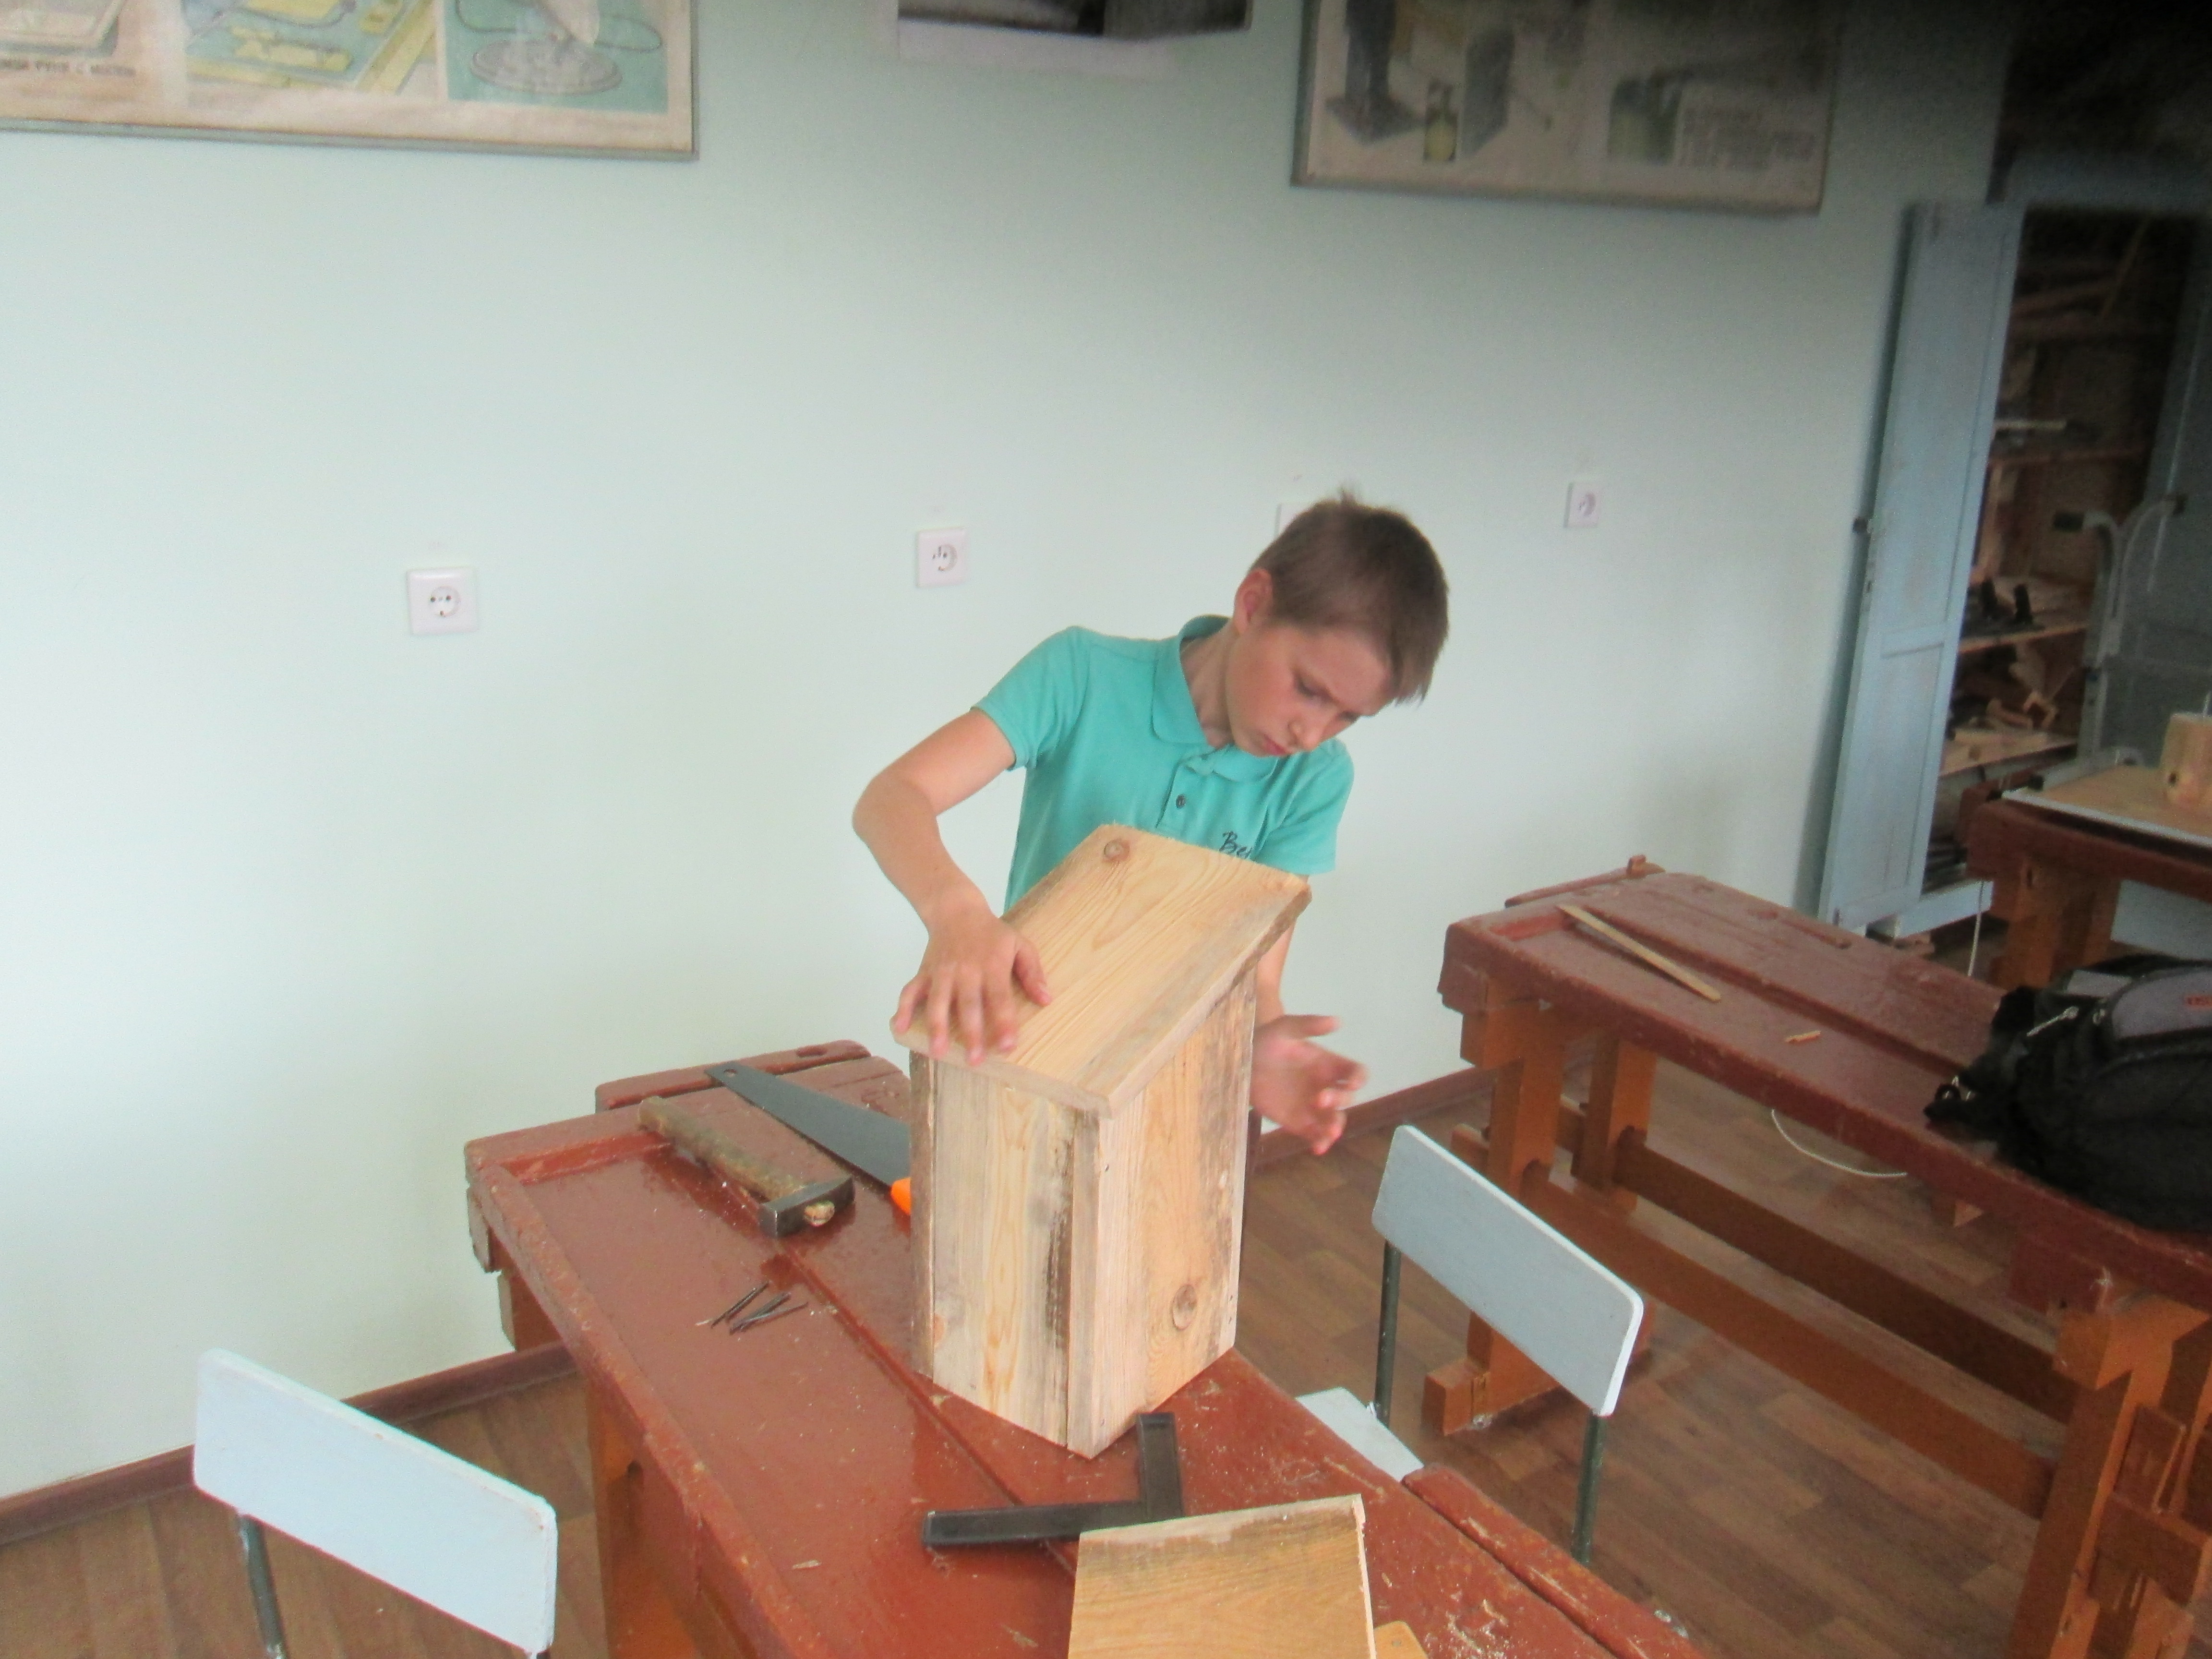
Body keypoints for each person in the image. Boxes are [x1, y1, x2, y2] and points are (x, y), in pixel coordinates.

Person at [852, 493, 1449, 1153]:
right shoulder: (1081, 674)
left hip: (1174, 1098)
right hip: (1027, 1059)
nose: (1312, 732)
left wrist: (1260, 1047)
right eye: (1309, 690)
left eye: (1347, 717)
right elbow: (892, 798)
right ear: (1253, 605)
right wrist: (958, 914)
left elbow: (1260, 971)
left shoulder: (1315, 778)